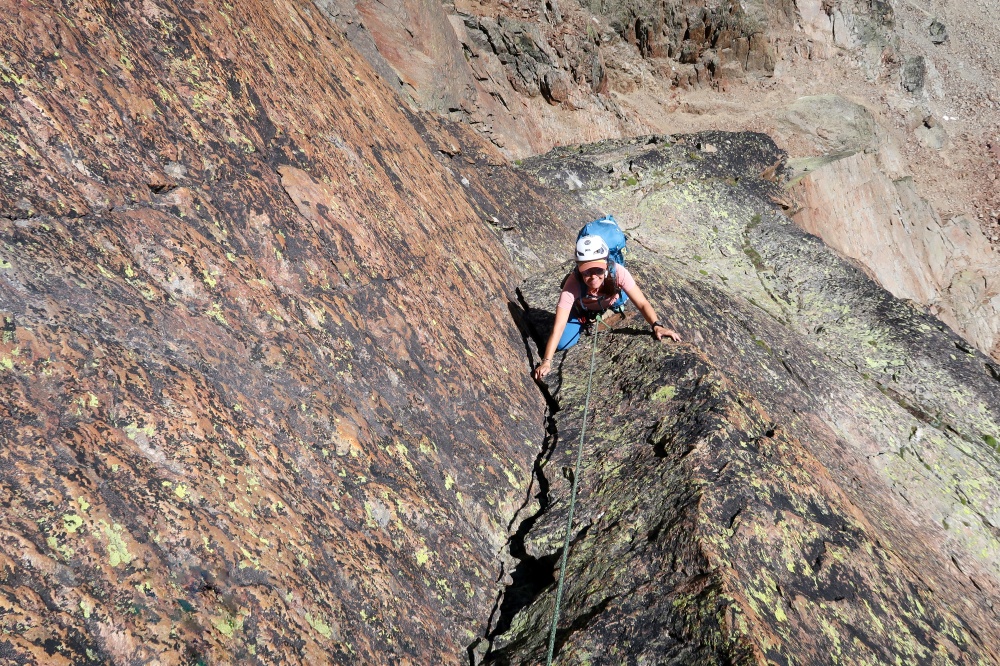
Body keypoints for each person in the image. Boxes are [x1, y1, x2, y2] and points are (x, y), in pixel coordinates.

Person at [533, 235, 681, 380]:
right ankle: (590, 318)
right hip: (582, 311)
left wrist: (656, 325)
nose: (593, 276)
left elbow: (642, 303)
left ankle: (606, 312)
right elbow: (558, 327)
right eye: (586, 271)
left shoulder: (618, 272)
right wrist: (547, 362)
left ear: (605, 264)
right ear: (579, 269)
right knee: (563, 343)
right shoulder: (573, 283)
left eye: (598, 269)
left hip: (608, 304)